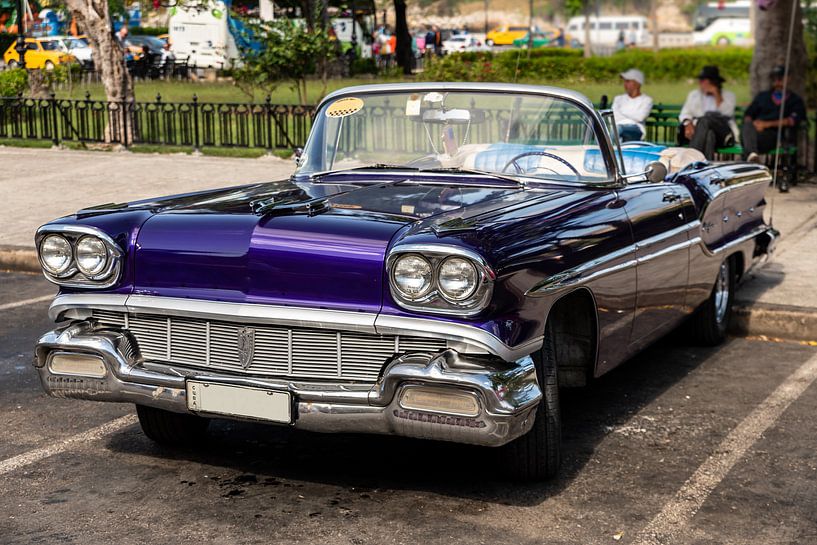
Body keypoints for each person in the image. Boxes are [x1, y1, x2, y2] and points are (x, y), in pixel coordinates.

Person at [742, 65, 806, 163]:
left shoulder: (795, 100)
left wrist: (767, 124)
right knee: (747, 127)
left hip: (774, 135)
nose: (777, 82)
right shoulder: (762, 96)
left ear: (788, 79)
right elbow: (748, 114)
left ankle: (751, 159)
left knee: (749, 141)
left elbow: (791, 121)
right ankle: (752, 157)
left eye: (780, 78)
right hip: (753, 132)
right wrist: (754, 124)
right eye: (775, 79)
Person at [678, 65, 737, 160]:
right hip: (701, 133)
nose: (701, 83)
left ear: (714, 82)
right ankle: (704, 166)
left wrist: (717, 94)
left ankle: (690, 159)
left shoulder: (729, 95)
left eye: (704, 81)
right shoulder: (694, 95)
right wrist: (687, 123)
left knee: (705, 120)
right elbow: (685, 112)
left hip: (723, 133)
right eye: (701, 81)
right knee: (709, 135)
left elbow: (728, 113)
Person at [612, 68, 653, 142]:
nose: (625, 84)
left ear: (637, 83)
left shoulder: (647, 100)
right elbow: (613, 116)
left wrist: (621, 112)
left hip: (636, 129)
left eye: (628, 81)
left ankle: (601, 151)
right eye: (624, 81)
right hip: (617, 128)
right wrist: (632, 115)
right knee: (615, 130)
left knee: (617, 130)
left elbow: (640, 117)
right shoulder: (618, 99)